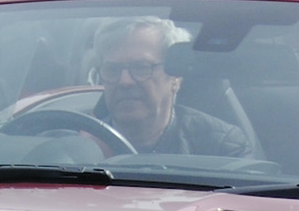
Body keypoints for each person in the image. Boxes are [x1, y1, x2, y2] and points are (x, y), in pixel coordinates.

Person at [89, 16, 255, 156]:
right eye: (112, 69)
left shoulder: (221, 146)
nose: (125, 81)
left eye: (141, 68)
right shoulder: (77, 146)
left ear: (175, 77)